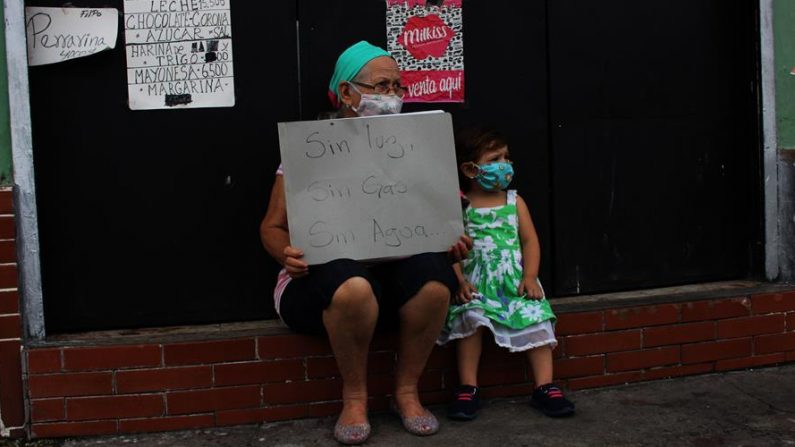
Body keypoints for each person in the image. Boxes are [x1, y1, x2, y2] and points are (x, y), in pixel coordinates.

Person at [259, 41, 470, 445]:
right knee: (351, 282)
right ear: (346, 93)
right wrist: (285, 254)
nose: (391, 95)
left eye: (397, 87)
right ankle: (355, 396)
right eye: (380, 86)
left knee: (434, 277)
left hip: (395, 285)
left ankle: (407, 392)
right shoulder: (310, 152)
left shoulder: (419, 152)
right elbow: (272, 226)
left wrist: (452, 240)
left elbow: (442, 221)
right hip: (325, 290)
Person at [437, 127, 575, 420]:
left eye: (507, 157)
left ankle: (545, 387)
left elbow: (529, 241)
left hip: (513, 283)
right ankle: (468, 388)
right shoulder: (461, 206)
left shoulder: (515, 202)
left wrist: (529, 277)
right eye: (495, 158)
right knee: (470, 318)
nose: (506, 164)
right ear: (470, 169)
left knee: (536, 316)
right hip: (476, 283)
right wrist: (459, 282)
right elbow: (450, 249)